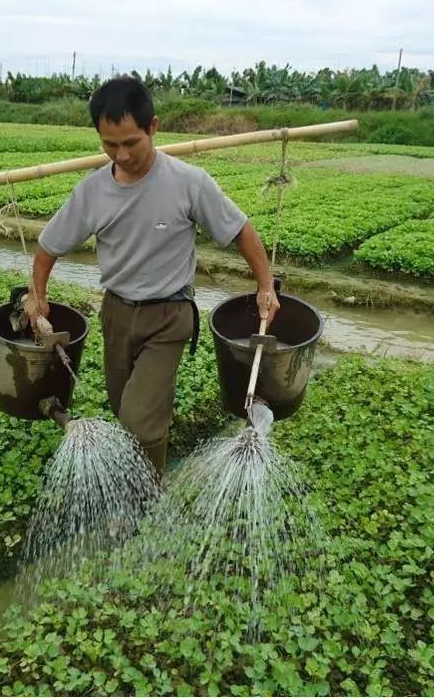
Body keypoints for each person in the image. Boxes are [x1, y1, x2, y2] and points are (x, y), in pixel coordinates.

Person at [25, 76, 280, 476]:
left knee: (139, 419)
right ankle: (141, 471)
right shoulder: (92, 191)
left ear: (153, 128)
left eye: (131, 143)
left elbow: (241, 231)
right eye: (110, 144)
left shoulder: (189, 183)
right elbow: (47, 248)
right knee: (122, 405)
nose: (121, 155)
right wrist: (37, 294)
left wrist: (265, 284)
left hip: (169, 315)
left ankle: (146, 495)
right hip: (117, 312)